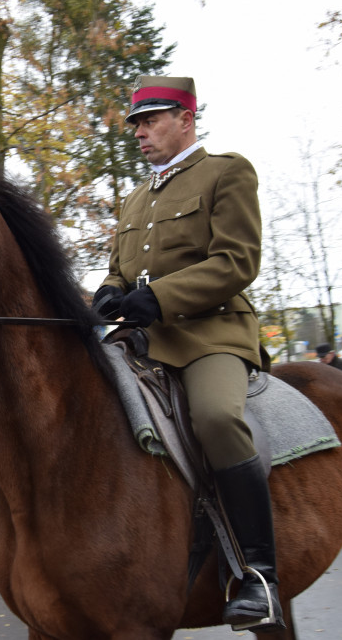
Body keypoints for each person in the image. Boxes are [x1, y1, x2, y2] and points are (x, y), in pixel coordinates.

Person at [92, 76, 284, 631]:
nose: (141, 133)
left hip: (211, 334)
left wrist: (160, 297)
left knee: (217, 419)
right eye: (136, 124)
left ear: (186, 120)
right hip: (144, 337)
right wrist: (109, 290)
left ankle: (258, 574)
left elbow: (237, 261)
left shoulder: (227, 172)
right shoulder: (135, 197)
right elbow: (120, 269)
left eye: (151, 120)